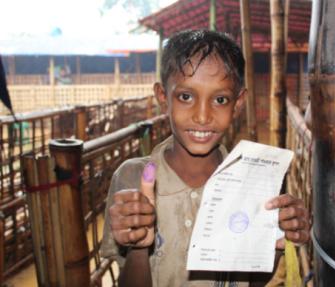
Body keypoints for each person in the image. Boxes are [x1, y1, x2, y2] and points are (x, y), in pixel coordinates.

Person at [100, 29, 310, 287]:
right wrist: (138, 249)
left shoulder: (254, 184)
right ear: (163, 96)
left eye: (220, 99)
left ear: (238, 103)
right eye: (186, 97)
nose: (202, 116)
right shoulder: (131, 179)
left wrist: (276, 241)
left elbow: (253, 282)